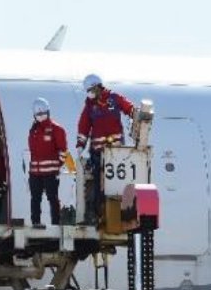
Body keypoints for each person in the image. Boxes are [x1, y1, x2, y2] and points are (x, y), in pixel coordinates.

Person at [75, 74, 135, 223]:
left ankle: (123, 211)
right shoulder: (89, 106)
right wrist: (80, 145)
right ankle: (99, 213)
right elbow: (84, 126)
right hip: (97, 153)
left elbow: (129, 108)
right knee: (98, 183)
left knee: (118, 183)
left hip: (116, 152)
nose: (89, 93)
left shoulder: (113, 98)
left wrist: (137, 114)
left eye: (90, 90)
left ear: (98, 87)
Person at [27, 97, 68, 226]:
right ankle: (36, 222)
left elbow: (63, 151)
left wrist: (56, 166)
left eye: (42, 113)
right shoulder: (33, 130)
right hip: (35, 173)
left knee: (52, 198)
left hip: (50, 173)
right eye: (37, 114)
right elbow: (32, 151)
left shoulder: (56, 129)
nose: (40, 116)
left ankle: (56, 223)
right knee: (35, 199)